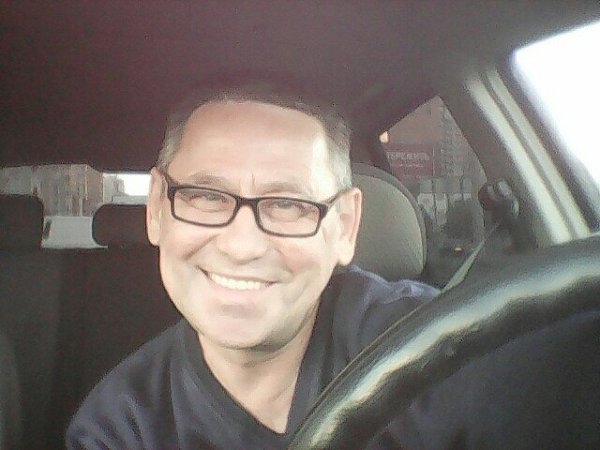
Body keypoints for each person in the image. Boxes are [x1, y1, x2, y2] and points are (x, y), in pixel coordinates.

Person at [65, 78, 438, 449]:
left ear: (344, 226)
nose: (241, 247)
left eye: (288, 204)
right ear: (156, 210)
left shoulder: (433, 348)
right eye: (207, 196)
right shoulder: (119, 429)